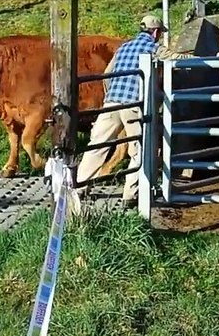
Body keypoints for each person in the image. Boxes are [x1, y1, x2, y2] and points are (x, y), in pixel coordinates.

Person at [76, 15, 193, 207]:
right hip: (133, 105)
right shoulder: (153, 48)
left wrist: (110, 93)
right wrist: (210, 57)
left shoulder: (123, 47)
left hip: (112, 102)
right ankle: (131, 195)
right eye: (159, 33)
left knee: (97, 144)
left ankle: (79, 187)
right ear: (155, 32)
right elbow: (177, 59)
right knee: (138, 149)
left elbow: (108, 72)